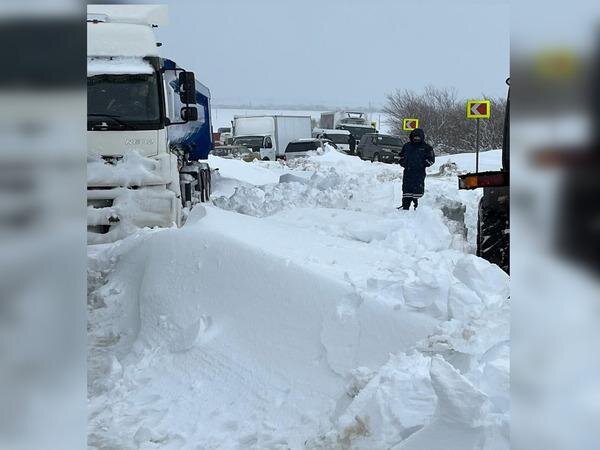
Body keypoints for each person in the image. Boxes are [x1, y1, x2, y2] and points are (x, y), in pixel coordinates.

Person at [398, 128, 435, 210]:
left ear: (422, 137)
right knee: (406, 189)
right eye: (415, 137)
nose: (416, 139)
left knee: (418, 189)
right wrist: (403, 163)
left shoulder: (427, 147)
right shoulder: (407, 146)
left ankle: (418, 208)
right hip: (408, 172)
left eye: (418, 137)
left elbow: (431, 159)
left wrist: (422, 164)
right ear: (412, 137)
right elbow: (400, 156)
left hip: (419, 173)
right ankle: (405, 206)